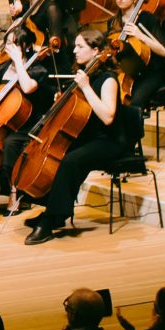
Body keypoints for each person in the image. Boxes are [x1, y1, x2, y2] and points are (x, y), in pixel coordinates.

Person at [23, 31, 135, 245]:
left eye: (80, 47)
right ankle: (54, 213)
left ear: (96, 51)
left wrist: (84, 88)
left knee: (70, 161)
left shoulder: (108, 80)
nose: (74, 51)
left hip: (110, 142)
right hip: (91, 137)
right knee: (58, 157)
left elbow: (108, 116)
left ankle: (50, 220)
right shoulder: (86, 75)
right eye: (75, 46)